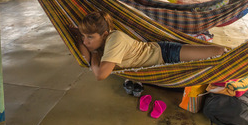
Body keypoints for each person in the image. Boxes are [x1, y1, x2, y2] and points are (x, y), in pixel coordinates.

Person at [76, 11, 226, 81]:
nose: (85, 42)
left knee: (218, 52)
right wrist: (79, 37)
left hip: (165, 53)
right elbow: (86, 56)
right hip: (160, 61)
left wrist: (95, 54)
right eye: (83, 37)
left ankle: (238, 58)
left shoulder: (115, 39)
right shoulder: (102, 42)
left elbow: (100, 74)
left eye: (90, 37)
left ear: (104, 34)